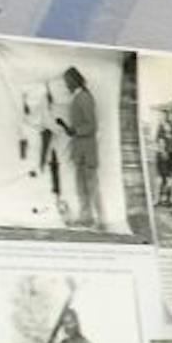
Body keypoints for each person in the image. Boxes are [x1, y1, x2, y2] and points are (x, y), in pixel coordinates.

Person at [54, 67, 102, 231]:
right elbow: (80, 127)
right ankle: (86, 219)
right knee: (81, 188)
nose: (66, 85)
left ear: (75, 81)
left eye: (68, 81)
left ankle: (99, 220)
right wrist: (69, 129)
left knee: (91, 186)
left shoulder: (84, 98)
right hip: (80, 152)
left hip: (87, 152)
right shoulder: (77, 98)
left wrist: (75, 131)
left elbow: (92, 126)